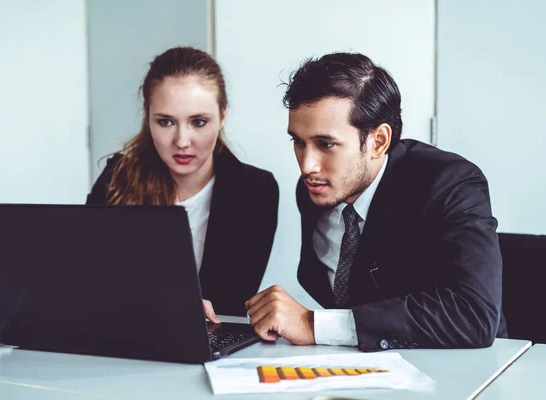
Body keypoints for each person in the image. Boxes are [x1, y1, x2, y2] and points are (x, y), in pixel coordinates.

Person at [245, 52, 507, 351]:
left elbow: (474, 315)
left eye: (325, 144)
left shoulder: (449, 183)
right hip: (362, 370)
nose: (307, 165)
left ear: (378, 141)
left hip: (469, 371)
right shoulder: (316, 188)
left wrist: (314, 324)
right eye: (299, 141)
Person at [87, 47, 279, 319]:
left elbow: (231, 301)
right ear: (148, 116)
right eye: (165, 122)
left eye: (198, 122)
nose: (182, 141)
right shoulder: (116, 178)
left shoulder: (255, 191)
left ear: (222, 115)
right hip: (124, 339)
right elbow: (86, 279)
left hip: (208, 346)